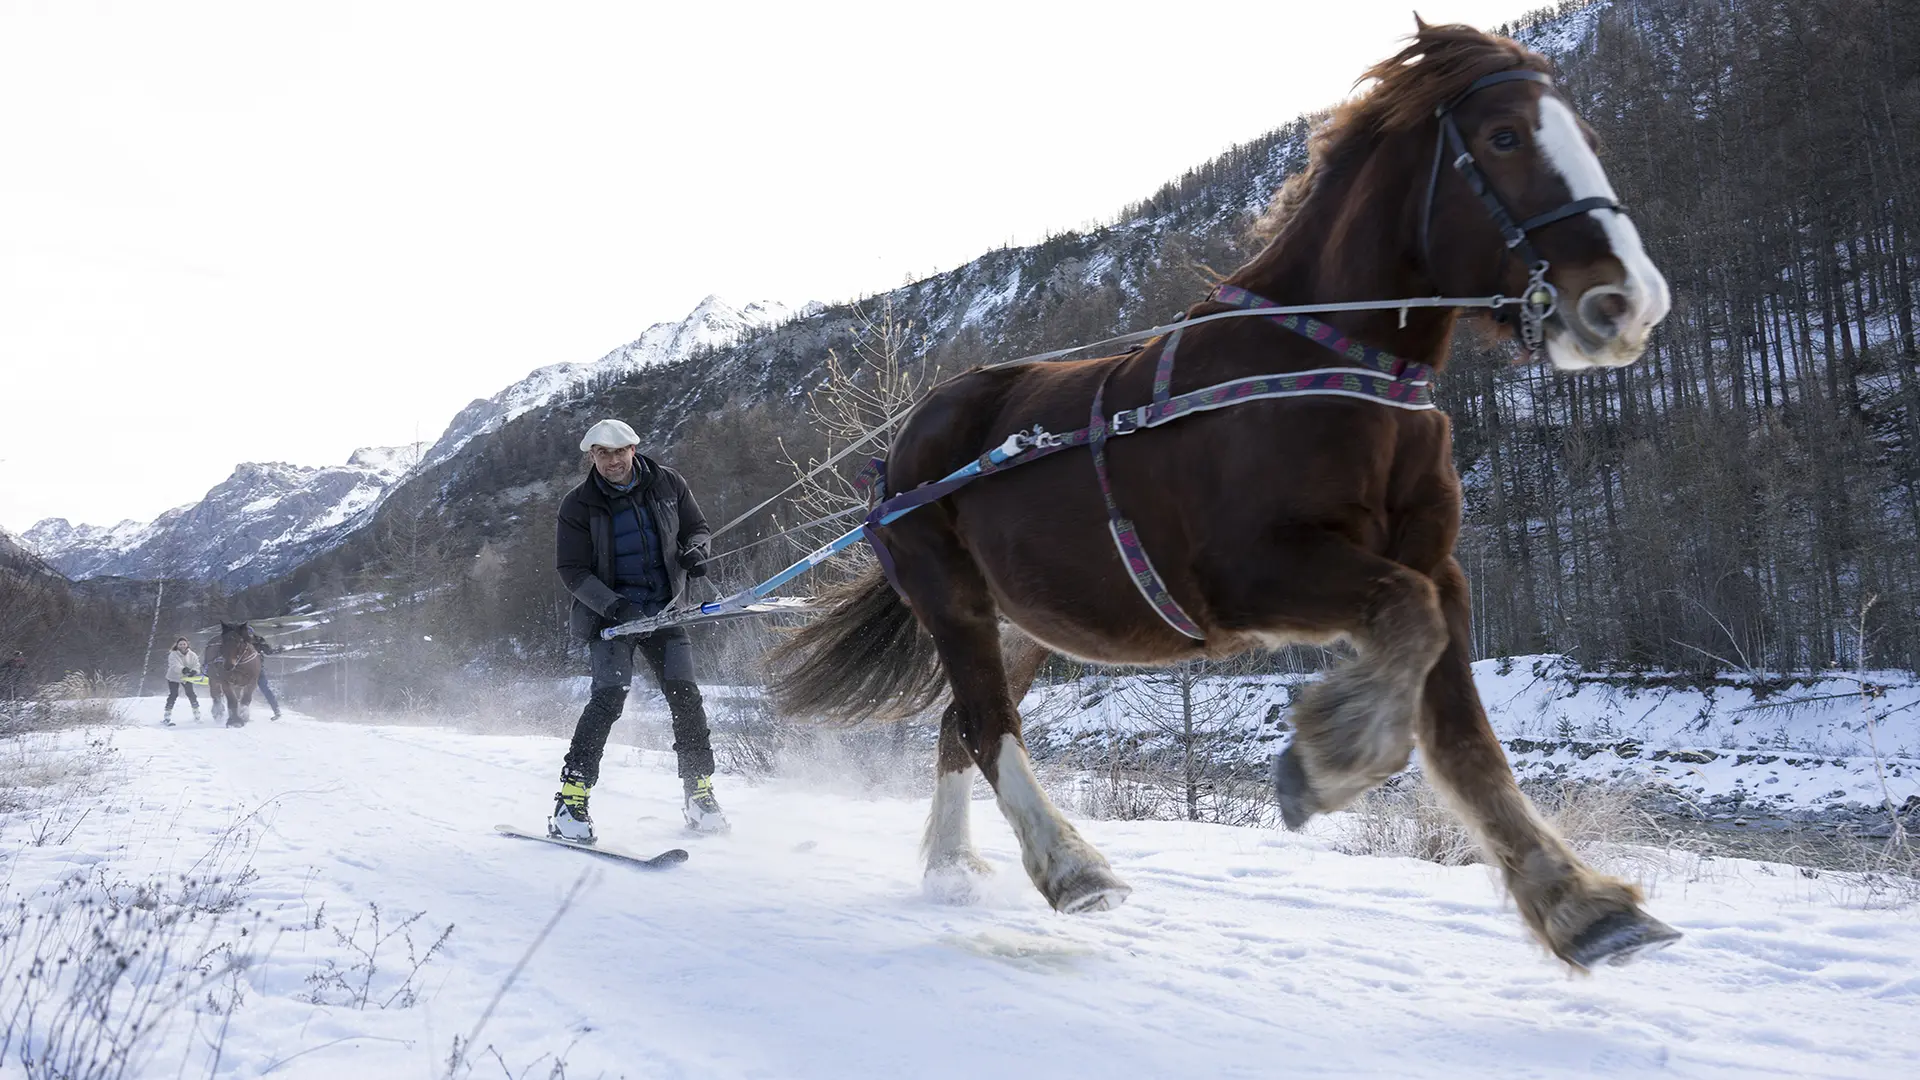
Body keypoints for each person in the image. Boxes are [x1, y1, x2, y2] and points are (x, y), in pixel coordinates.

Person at [551, 418, 727, 842]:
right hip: (610, 617)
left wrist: (695, 552)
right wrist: (617, 607)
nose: (612, 461)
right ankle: (570, 802)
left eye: (619, 452)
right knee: (608, 700)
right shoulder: (578, 504)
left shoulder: (668, 483)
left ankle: (699, 793)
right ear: (591, 457)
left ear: (633, 449)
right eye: (602, 454)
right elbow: (572, 570)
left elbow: (697, 529)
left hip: (666, 611)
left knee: (686, 697)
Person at [204, 625, 282, 722]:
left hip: (255, 670)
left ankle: (276, 709)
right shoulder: (238, 642)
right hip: (237, 669)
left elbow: (268, 651)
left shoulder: (258, 640)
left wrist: (276, 650)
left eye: (249, 634)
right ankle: (225, 707)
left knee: (264, 687)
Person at [162, 637, 201, 726]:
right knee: (173, 694)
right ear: (177, 645)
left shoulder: (192, 655)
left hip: (187, 678)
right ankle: (167, 715)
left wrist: (195, 671)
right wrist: (183, 669)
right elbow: (174, 665)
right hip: (173, 677)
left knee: (191, 694)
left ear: (187, 644)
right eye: (180, 644)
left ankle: (196, 713)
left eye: (184, 644)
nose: (182, 646)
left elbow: (196, 664)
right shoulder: (173, 654)